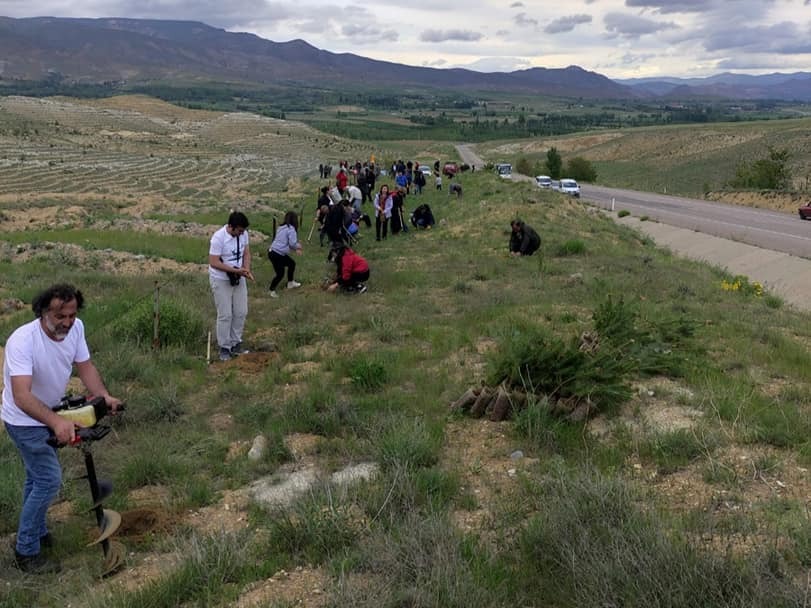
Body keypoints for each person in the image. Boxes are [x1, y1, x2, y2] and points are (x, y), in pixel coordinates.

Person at [3, 283, 123, 574]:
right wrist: (56, 422)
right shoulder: (23, 341)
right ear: (43, 312)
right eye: (60, 316)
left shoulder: (77, 329)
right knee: (48, 479)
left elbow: (86, 368)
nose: (67, 323)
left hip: (51, 411)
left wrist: (103, 397)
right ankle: (26, 551)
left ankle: (38, 531)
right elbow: (21, 395)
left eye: (71, 315)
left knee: (36, 477)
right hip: (23, 419)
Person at [209, 211, 254, 361]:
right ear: (231, 227)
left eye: (243, 231)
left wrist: (245, 269)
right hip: (221, 278)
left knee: (241, 311)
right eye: (239, 231)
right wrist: (235, 271)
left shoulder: (243, 234)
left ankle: (236, 343)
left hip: (239, 277)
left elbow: (246, 253)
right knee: (225, 314)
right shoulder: (218, 238)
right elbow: (214, 262)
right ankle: (224, 347)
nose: (242, 234)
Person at [268, 210, 303, 298]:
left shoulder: (281, 227)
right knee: (280, 273)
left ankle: (290, 283)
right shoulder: (291, 229)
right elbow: (292, 243)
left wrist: (295, 248)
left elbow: (286, 242)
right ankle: (271, 290)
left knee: (291, 263)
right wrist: (298, 246)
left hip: (272, 251)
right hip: (277, 254)